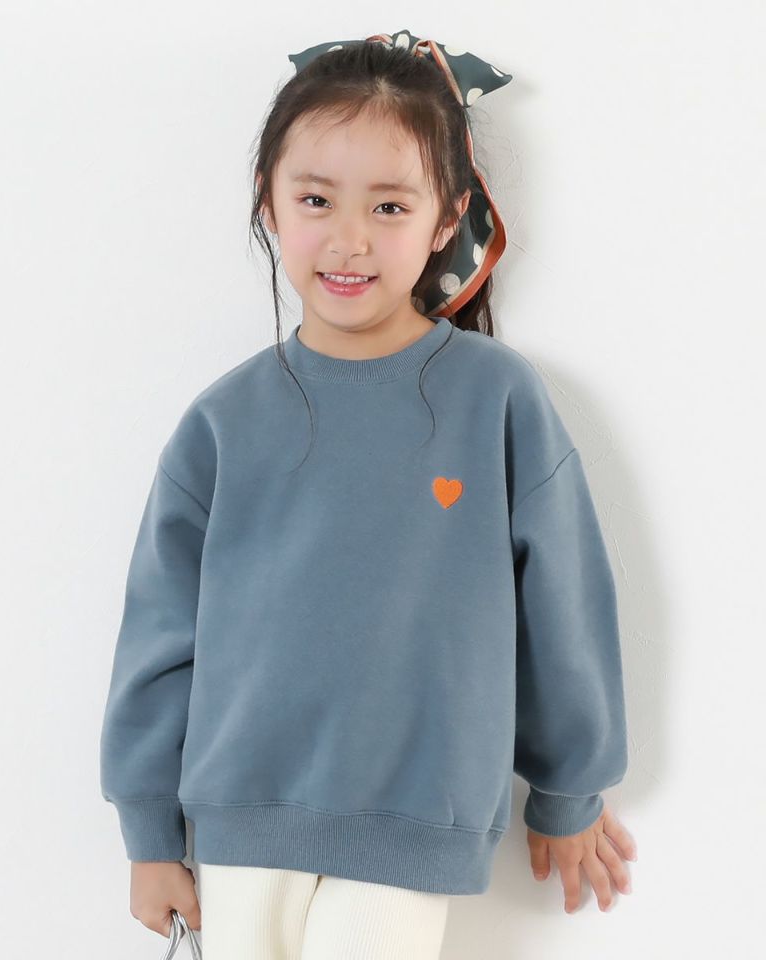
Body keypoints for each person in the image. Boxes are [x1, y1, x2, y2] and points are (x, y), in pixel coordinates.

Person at [99, 29, 637, 960]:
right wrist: (149, 833)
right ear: (269, 201)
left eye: (389, 205)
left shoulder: (496, 398)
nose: (349, 239)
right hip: (240, 817)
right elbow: (159, 634)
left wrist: (570, 788)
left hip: (415, 813)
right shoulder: (223, 422)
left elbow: (564, 602)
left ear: (447, 218)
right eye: (316, 199)